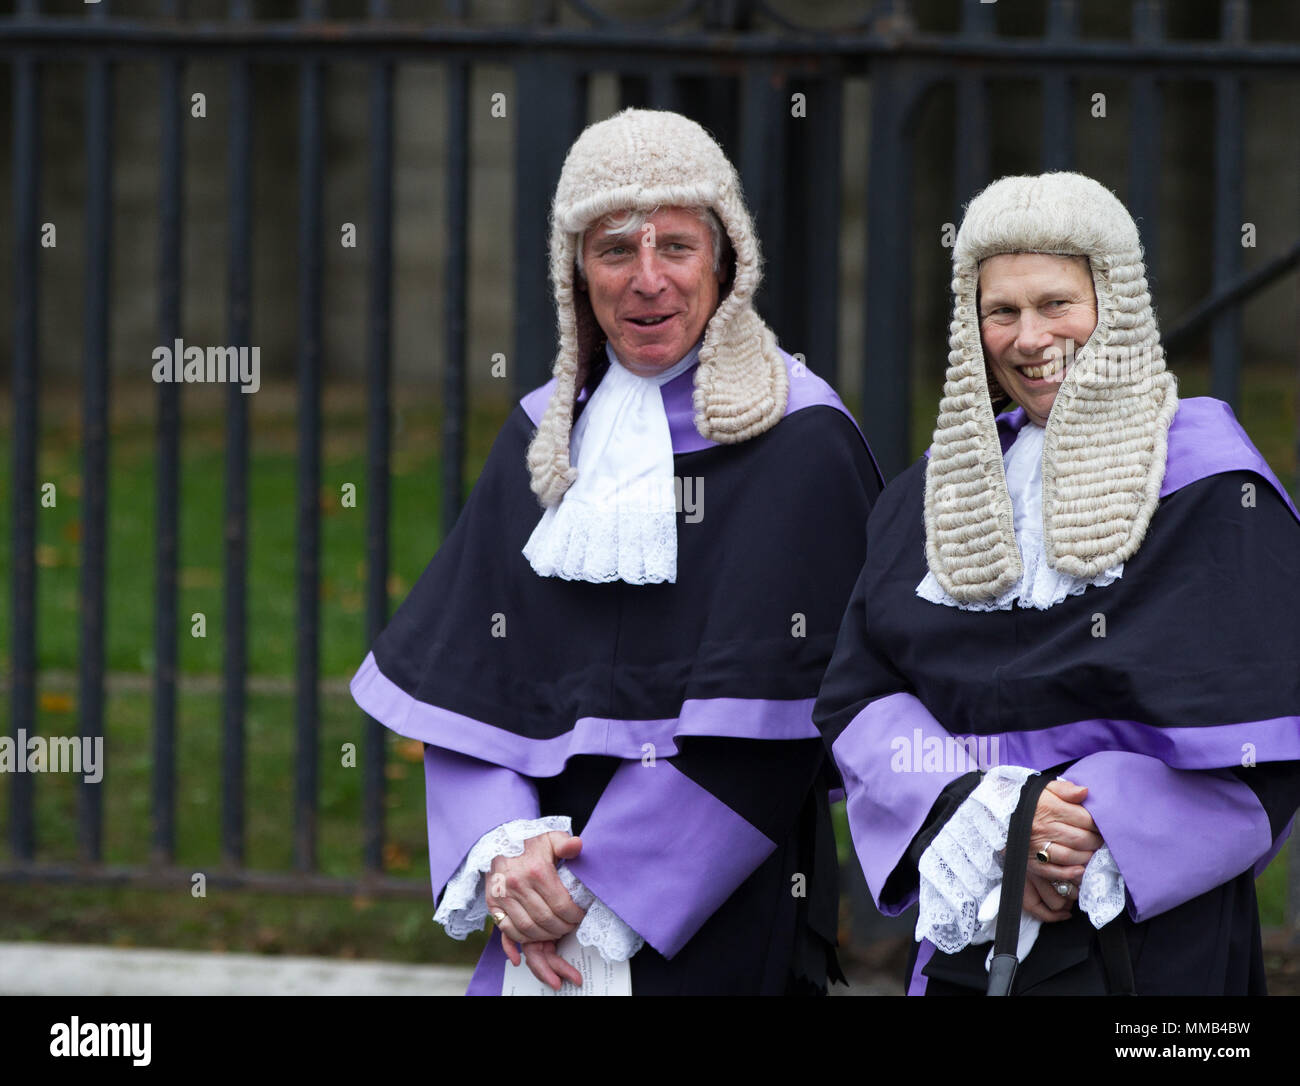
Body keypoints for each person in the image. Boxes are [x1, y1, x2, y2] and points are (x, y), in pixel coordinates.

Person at [350, 108, 883, 995]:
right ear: (575, 272)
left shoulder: (801, 438)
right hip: (534, 914)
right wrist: (506, 849)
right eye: (613, 250)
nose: (647, 282)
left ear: (726, 261)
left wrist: (603, 896)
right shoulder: (541, 435)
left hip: (718, 912)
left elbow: (773, 725)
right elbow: (468, 687)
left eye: (675, 246)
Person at [813, 171, 1300, 995]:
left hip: (1155, 941)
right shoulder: (936, 491)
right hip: (973, 904)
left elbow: (1265, 725)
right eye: (1001, 311)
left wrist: (1091, 830)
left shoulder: (1212, 476)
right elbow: (862, 693)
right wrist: (980, 810)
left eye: (1057, 303)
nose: (1029, 337)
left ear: (1114, 303)